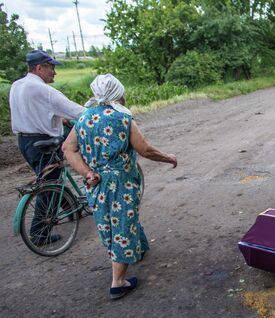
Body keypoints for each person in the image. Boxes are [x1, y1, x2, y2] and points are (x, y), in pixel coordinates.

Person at [63, 74, 177, 300]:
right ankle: (118, 282)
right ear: (117, 94)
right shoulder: (122, 118)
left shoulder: (83, 118)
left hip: (95, 183)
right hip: (121, 184)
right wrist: (169, 158)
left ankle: (140, 248)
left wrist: (87, 172)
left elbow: (68, 148)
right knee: (123, 226)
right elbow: (145, 149)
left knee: (109, 222)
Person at [9, 50, 85, 245]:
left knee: (50, 178)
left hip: (25, 141)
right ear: (39, 68)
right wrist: (99, 114)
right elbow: (77, 111)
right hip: (43, 141)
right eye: (51, 67)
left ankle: (71, 209)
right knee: (49, 186)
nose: (54, 72)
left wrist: (60, 118)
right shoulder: (44, 90)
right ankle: (39, 232)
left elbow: (34, 112)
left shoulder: (17, 85)